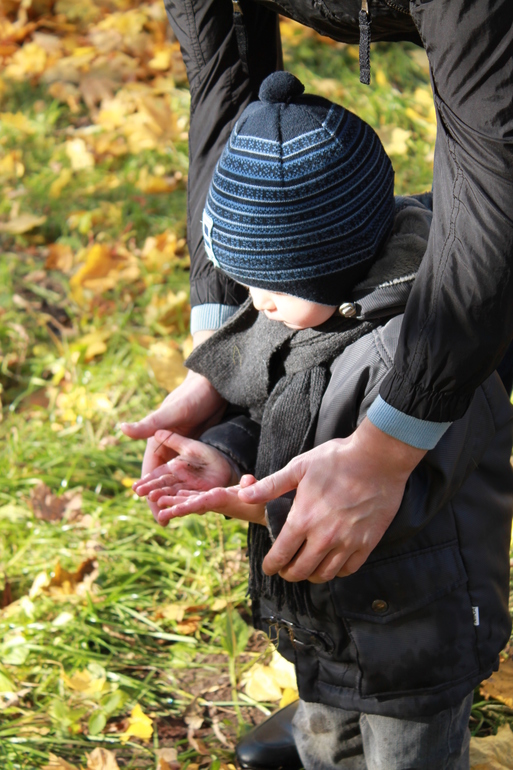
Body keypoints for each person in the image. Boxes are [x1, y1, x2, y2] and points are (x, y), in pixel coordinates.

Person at [133, 73, 513, 770]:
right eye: (245, 282)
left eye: (273, 286)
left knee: (408, 756)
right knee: (322, 736)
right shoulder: (296, 316)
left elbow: (409, 498)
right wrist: (223, 455)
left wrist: (264, 504)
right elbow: (271, 412)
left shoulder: (426, 350)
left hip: (414, 627)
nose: (258, 303)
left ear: (340, 261)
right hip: (326, 621)